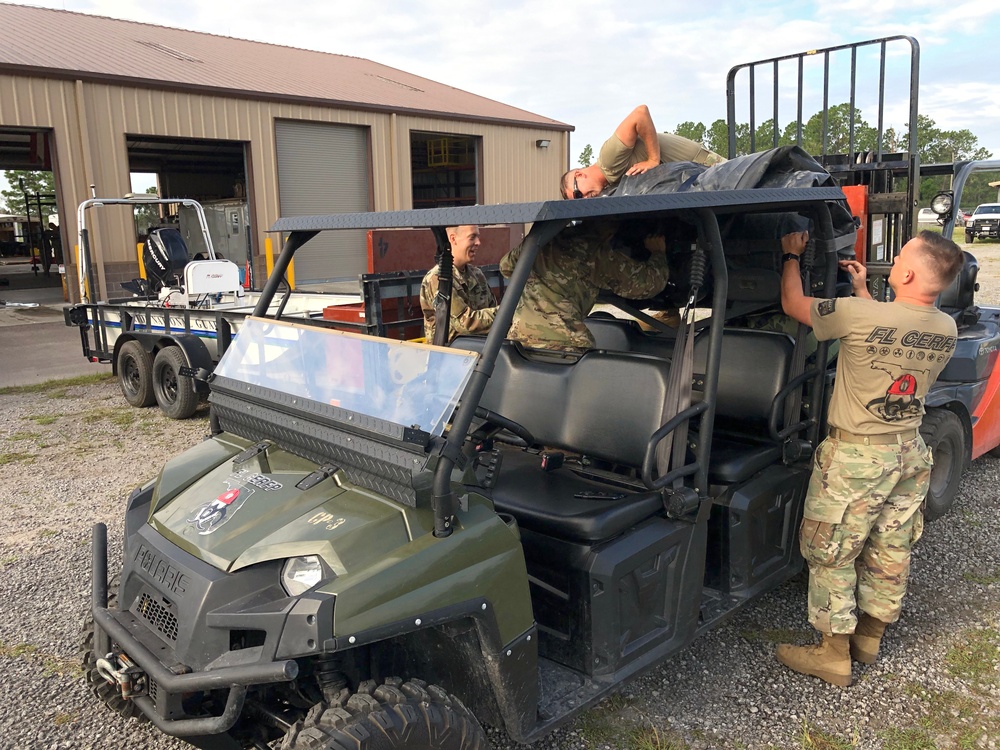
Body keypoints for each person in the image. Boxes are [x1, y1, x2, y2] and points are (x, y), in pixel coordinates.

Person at [775, 229, 963, 687]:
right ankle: (869, 638)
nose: (893, 261)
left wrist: (790, 256)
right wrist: (861, 290)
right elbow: (894, 333)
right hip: (908, 451)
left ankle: (833, 654)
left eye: (899, 256)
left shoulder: (856, 315)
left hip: (858, 456)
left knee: (832, 549)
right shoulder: (946, 328)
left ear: (909, 272)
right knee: (890, 544)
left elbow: (794, 305)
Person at [499, 221, 670, 351]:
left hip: (520, 340)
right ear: (610, 233)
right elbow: (647, 284)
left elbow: (506, 267)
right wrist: (658, 253)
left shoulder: (544, 240)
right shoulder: (596, 251)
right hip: (565, 343)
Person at [561, 105, 726, 200]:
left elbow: (640, 114)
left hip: (707, 165)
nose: (584, 198)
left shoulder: (608, 161)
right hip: (698, 179)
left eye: (577, 194)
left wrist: (653, 159)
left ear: (579, 175)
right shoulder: (611, 185)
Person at [420, 225, 497, 344]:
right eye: (472, 237)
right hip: (450, 357)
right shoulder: (438, 279)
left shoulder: (477, 275)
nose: (478, 242)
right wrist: (506, 313)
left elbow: (492, 309)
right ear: (453, 239)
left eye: (478, 237)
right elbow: (465, 323)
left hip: (481, 351)